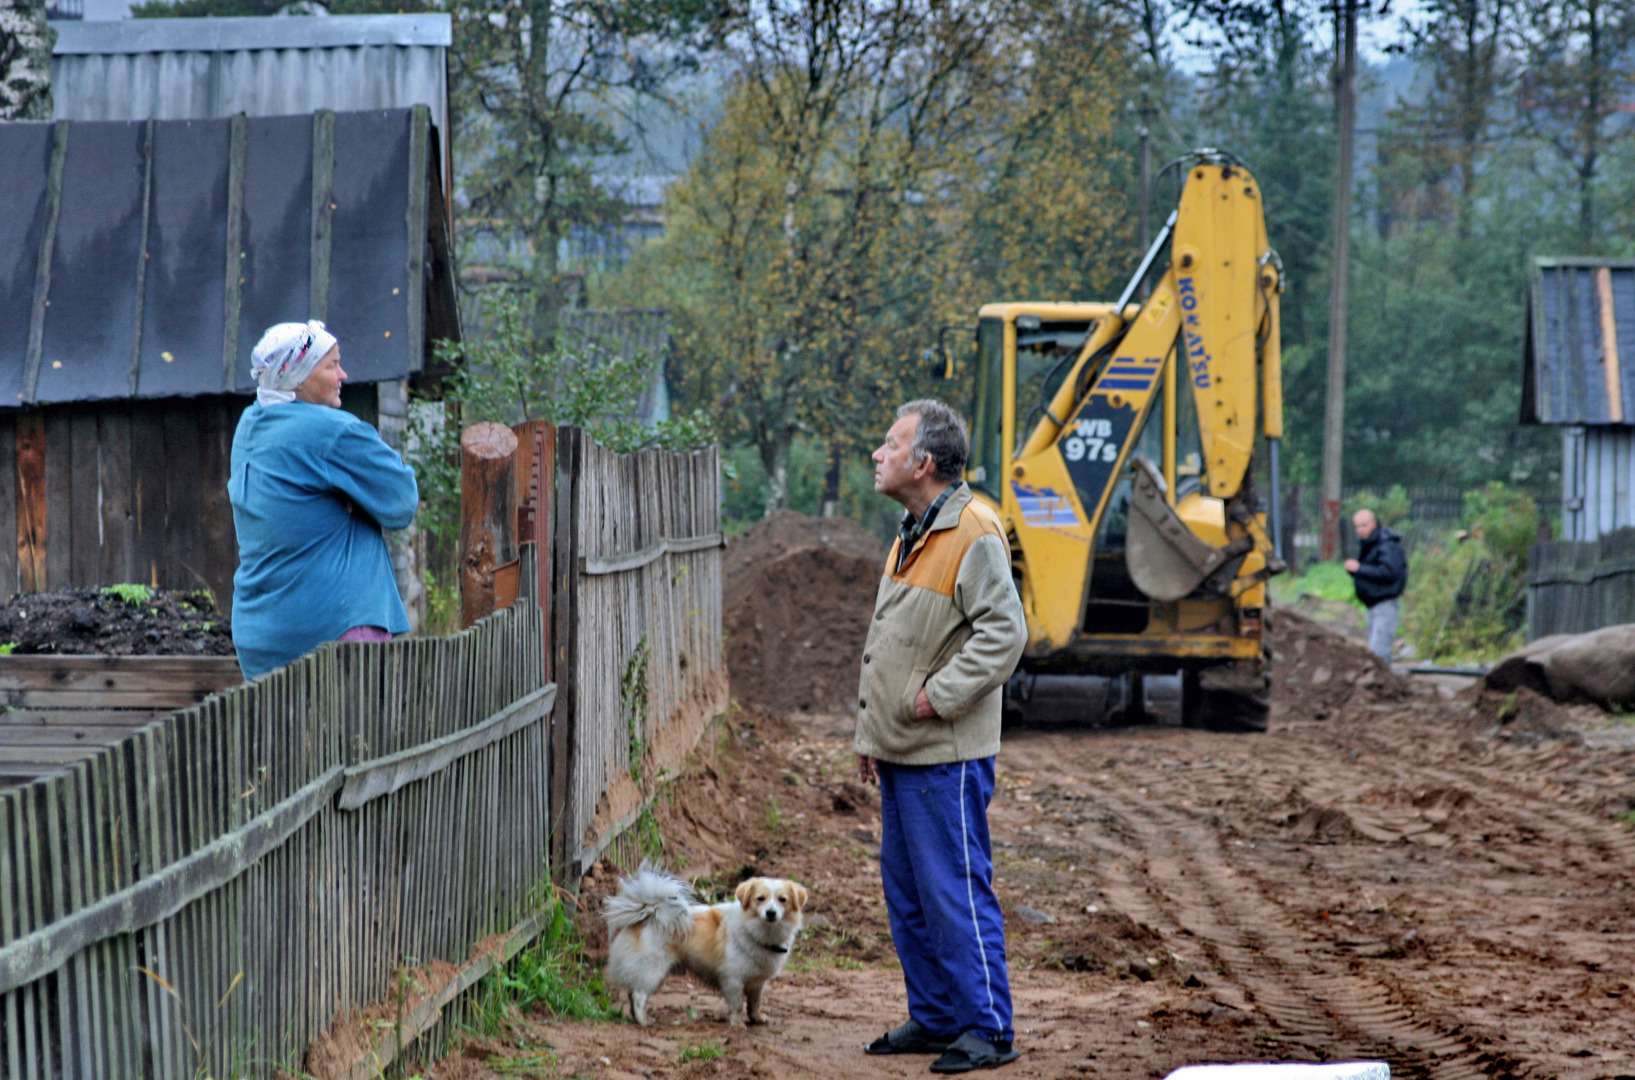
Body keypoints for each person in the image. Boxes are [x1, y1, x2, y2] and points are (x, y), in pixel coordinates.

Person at [854, 399, 1027, 1074]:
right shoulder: (913, 531)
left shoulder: (972, 528)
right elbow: (893, 641)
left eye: (890, 444)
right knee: (909, 894)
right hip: (902, 747)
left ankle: (987, 1027)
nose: (878, 454)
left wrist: (938, 697)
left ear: (923, 462)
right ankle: (935, 1015)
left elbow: (1004, 633)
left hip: (944, 753)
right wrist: (872, 735)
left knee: (953, 890)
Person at [228, 320, 419, 679]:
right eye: (332, 365)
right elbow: (401, 501)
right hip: (334, 631)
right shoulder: (333, 431)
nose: (343, 375)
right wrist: (358, 498)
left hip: (260, 636)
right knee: (357, 720)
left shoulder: (250, 425)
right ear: (297, 377)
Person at [1344, 508, 1408, 661]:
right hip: (1372, 605)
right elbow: (1372, 570)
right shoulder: (1370, 544)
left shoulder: (1386, 545)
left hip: (1385, 605)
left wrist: (1359, 568)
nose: (1360, 530)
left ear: (1373, 524)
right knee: (1374, 653)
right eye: (1357, 526)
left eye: (1364, 525)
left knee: (1379, 654)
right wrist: (1356, 571)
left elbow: (1389, 572)